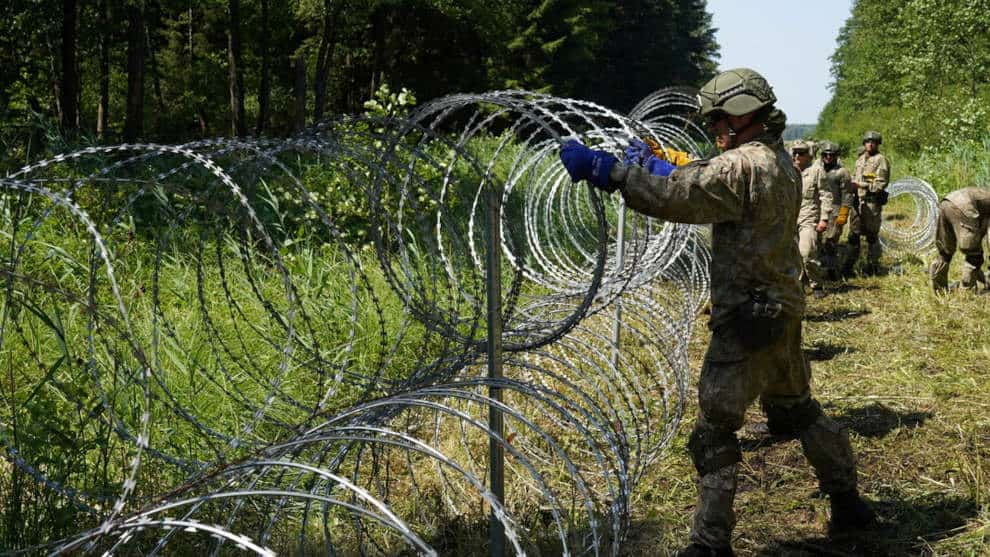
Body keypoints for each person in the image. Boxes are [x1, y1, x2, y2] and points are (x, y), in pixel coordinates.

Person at [559, 68, 875, 556]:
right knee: (799, 410)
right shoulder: (777, 160)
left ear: (741, 114)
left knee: (713, 433)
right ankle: (850, 504)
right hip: (783, 308)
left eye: (718, 120)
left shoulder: (739, 165)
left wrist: (614, 172)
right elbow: (702, 181)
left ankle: (709, 544)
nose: (714, 130)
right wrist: (663, 168)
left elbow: (681, 196)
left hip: (746, 319)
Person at [843, 131, 890, 275]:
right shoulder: (860, 160)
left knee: (871, 237)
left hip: (871, 204)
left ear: (877, 144)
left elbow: (881, 184)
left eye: (873, 142)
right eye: (867, 141)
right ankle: (849, 266)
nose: (870, 144)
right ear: (864, 143)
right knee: (853, 235)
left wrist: (862, 185)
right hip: (857, 204)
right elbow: (854, 176)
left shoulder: (881, 160)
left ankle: (872, 266)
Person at [928, 187, 990, 292]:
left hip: (947, 202)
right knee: (974, 256)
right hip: (965, 206)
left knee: (945, 253)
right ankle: (966, 292)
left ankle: (939, 290)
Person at [791, 140, 828, 298]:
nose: (797, 156)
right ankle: (798, 284)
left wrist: (824, 218)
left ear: (808, 155)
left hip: (809, 217)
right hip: (790, 219)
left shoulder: (816, 171)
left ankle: (816, 283)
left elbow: (826, 195)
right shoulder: (788, 171)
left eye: (801, 153)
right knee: (793, 255)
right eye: (795, 153)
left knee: (806, 252)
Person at [818, 141, 855, 279]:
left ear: (836, 156)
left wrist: (843, 214)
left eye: (831, 155)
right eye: (825, 154)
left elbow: (847, 195)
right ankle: (819, 269)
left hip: (835, 211)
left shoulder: (842, 172)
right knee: (816, 243)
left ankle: (832, 271)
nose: (828, 157)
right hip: (819, 210)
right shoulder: (817, 169)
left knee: (831, 242)